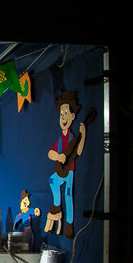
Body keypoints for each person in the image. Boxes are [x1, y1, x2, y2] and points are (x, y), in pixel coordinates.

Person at [45, 91, 86, 238]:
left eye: (66, 112)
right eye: (61, 113)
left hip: (70, 172)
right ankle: (57, 206)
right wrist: (58, 156)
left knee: (68, 197)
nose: (63, 116)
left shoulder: (71, 137)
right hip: (61, 171)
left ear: (72, 116)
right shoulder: (61, 138)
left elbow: (78, 152)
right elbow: (50, 153)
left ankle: (69, 224)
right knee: (52, 180)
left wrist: (83, 135)